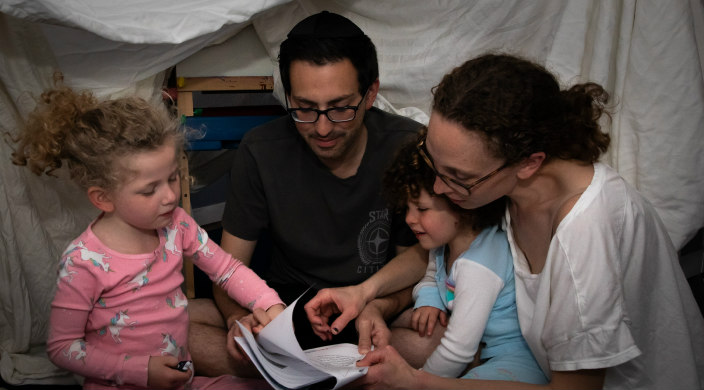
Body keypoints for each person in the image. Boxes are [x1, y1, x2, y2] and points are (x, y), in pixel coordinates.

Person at [305, 53, 704, 389]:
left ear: (528, 163)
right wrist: (363, 293)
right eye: (434, 164)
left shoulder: (586, 229)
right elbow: (442, 250)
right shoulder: (509, 189)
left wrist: (416, 381)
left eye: (457, 178)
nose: (440, 190)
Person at [187, 10, 422, 377]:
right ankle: (337, 377)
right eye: (305, 109)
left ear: (371, 93)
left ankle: (296, 378)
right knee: (172, 324)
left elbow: (417, 263)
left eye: (341, 108)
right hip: (283, 313)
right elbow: (228, 270)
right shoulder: (261, 150)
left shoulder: (405, 145)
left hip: (370, 316)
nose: (323, 127)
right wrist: (240, 320)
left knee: (438, 338)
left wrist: (377, 304)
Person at [11, 85, 285, 389]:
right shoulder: (83, 262)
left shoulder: (177, 225)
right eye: (149, 189)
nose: (170, 196)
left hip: (182, 380)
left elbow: (228, 270)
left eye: (172, 177)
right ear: (103, 198)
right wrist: (138, 370)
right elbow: (63, 348)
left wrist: (270, 304)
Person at [380, 135, 546, 383]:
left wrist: (417, 383)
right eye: (407, 209)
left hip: (513, 364)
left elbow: (458, 350)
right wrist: (429, 299)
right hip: (485, 353)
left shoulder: (477, 264)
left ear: (460, 207)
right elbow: (431, 276)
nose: (409, 219)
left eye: (422, 209)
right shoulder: (442, 246)